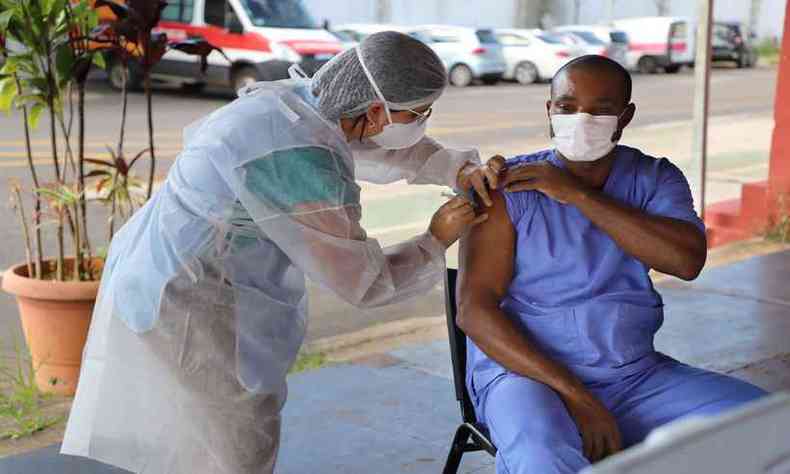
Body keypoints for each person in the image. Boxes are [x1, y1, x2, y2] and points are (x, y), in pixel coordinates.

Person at [61, 32, 505, 474]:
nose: (422, 121)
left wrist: (457, 167)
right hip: (187, 301)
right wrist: (435, 238)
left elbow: (373, 146)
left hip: (166, 266)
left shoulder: (300, 104)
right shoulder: (301, 160)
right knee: (234, 446)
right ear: (375, 110)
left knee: (200, 440)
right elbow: (364, 282)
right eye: (419, 113)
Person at [457, 55, 767, 474]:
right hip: (526, 378)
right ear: (548, 110)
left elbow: (686, 261)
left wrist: (578, 196)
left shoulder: (653, 177)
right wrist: (577, 396)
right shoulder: (509, 187)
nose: (580, 119)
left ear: (625, 117)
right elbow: (474, 311)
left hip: (632, 376)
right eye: (566, 107)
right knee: (542, 456)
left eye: (601, 109)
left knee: (765, 428)